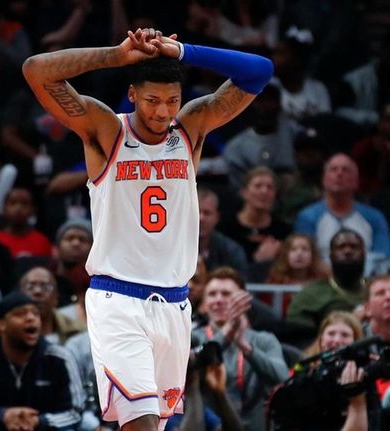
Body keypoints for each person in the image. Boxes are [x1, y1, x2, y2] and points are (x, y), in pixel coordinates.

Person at [22, 27, 273, 429]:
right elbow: (36, 70)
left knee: (155, 425)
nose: (162, 111)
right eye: (152, 100)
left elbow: (260, 70)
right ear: (134, 94)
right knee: (141, 422)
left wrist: (182, 51)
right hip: (118, 300)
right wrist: (115, 55)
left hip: (175, 304)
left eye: (172, 100)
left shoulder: (190, 128)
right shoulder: (106, 129)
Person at [0, 291, 84, 430]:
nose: (30, 318)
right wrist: (2, 417)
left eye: (35, 313)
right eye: (20, 314)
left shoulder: (60, 357)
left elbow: (75, 412)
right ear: (2, 324)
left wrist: (39, 421)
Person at [192, 267, 287, 431]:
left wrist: (247, 348)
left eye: (226, 294)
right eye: (212, 294)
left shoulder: (263, 340)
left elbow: (282, 379)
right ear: (204, 304)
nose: (218, 300)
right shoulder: (193, 337)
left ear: (244, 300)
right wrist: (227, 332)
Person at [294, 153, 390, 276]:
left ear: (356, 181)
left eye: (346, 170)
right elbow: (305, 257)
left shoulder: (375, 217)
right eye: (333, 169)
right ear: (324, 179)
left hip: (365, 283)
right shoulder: (307, 217)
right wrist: (340, 278)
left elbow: (384, 258)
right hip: (320, 283)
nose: (339, 174)